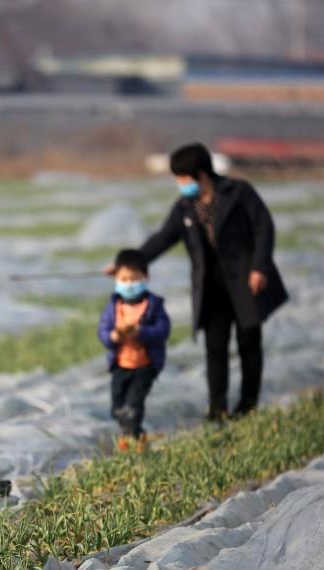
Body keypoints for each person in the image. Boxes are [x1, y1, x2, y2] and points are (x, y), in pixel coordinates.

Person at [110, 143, 288, 420]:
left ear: (201, 174)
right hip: (211, 288)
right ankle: (217, 408)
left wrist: (260, 267)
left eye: (183, 178)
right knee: (214, 347)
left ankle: (248, 404)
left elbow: (265, 227)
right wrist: (129, 264)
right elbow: (163, 238)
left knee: (248, 343)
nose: (180, 184)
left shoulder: (238, 193)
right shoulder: (184, 207)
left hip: (244, 281)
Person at [98, 249, 171, 440]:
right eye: (123, 279)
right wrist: (112, 337)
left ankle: (135, 438)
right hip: (120, 366)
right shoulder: (114, 306)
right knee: (117, 408)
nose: (128, 284)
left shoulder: (154, 305)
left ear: (145, 277)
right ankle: (130, 432)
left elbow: (163, 330)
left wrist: (142, 332)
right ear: (116, 279)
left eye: (134, 279)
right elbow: (103, 330)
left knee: (133, 406)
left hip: (144, 366)